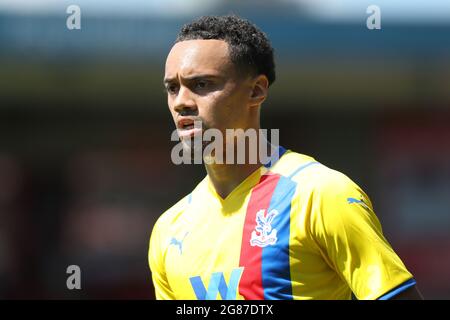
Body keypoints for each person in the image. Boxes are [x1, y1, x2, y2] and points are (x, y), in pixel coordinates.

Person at [149, 15, 423, 300]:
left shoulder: (320, 195)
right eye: (172, 88)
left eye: (202, 84)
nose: (181, 101)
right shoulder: (169, 229)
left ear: (256, 90)